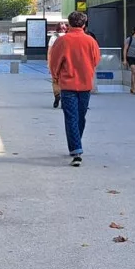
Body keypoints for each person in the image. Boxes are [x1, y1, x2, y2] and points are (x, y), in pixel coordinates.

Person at [48, 11, 101, 167]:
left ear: (69, 24)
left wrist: (56, 77)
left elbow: (55, 61)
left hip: (68, 84)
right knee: (81, 116)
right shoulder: (90, 41)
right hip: (85, 84)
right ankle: (77, 142)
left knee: (71, 116)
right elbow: (96, 59)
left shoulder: (63, 41)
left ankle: (76, 149)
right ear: (84, 24)